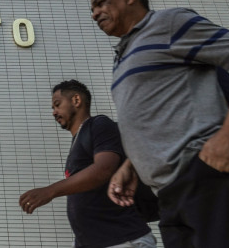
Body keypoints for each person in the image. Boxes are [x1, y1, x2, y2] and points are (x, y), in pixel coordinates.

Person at [90, 0, 229, 247]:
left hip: (209, 177)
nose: (95, 14)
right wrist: (132, 165)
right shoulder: (123, 56)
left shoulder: (168, 24)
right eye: (92, 9)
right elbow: (161, 112)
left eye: (101, 3)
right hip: (172, 192)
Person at [19, 80, 155, 248]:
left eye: (57, 104)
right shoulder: (78, 141)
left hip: (122, 240)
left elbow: (104, 168)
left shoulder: (98, 125)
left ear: (76, 100)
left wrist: (50, 191)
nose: (54, 112)